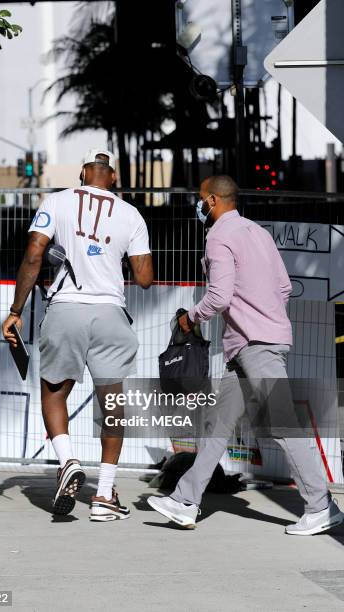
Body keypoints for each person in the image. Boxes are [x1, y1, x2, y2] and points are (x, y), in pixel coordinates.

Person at [148, 174, 344, 534]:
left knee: (284, 427)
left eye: (200, 198)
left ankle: (320, 506)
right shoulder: (258, 233)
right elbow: (284, 287)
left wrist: (190, 319)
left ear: (211, 201)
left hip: (256, 346)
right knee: (217, 428)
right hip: (249, 345)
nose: (198, 204)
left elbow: (219, 296)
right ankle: (185, 501)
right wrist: (262, 315)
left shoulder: (219, 237)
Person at [2, 149, 153, 521]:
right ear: (113, 177)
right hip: (111, 314)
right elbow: (145, 279)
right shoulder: (131, 214)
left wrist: (16, 310)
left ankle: (68, 459)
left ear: (83, 172)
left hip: (66, 309)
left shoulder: (56, 201)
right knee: (113, 405)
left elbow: (34, 255)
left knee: (54, 393)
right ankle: (103, 496)